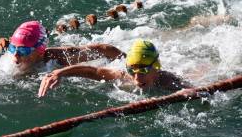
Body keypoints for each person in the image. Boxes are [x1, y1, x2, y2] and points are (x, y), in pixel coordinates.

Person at [38, 39, 191, 97]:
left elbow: (198, 91)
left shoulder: (167, 81)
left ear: (156, 67)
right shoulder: (123, 75)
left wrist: (189, 92)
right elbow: (94, 72)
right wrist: (60, 72)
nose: (137, 78)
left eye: (143, 70)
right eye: (132, 70)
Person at [0, 21, 125, 75]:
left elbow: (104, 49)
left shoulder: (57, 58)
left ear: (40, 51)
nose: (15, 57)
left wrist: (126, 61)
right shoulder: (6, 63)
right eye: (13, 48)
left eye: (24, 51)